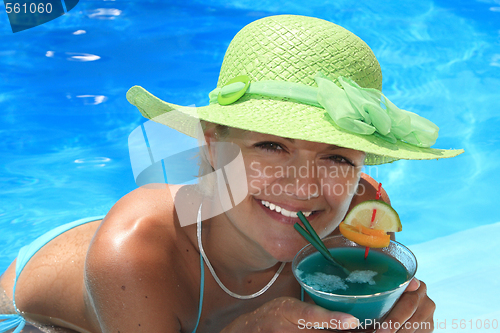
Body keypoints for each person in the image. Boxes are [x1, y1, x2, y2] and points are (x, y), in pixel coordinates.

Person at [0, 15, 463, 333]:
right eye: (271, 146)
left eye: (337, 158)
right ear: (211, 144)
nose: (303, 187)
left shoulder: (358, 226)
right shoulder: (137, 250)